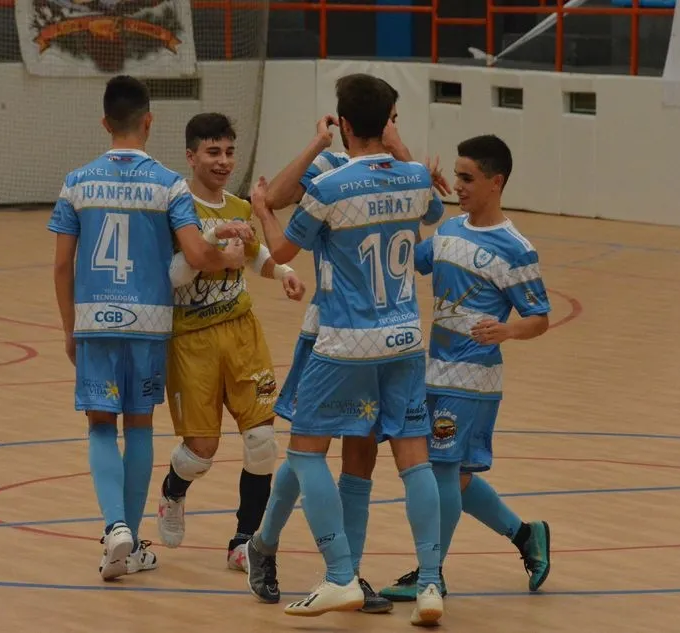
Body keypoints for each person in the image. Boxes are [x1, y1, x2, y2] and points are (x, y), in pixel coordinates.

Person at [245, 73, 447, 626]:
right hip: (405, 339)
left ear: (345, 125)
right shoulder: (412, 177)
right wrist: (399, 151)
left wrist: (262, 208)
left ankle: (339, 574)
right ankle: (430, 584)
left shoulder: (333, 187)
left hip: (344, 341)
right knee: (412, 456)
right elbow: (435, 213)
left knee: (306, 452)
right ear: (387, 122)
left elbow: (283, 247)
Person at [47, 76, 253, 581]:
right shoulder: (168, 183)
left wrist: (70, 328)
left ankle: (115, 527)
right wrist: (225, 249)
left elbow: (60, 266)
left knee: (99, 426)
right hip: (150, 323)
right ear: (148, 122)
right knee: (138, 424)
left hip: (95, 319)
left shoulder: (77, 182)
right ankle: (133, 540)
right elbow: (197, 253)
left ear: (104, 123)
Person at [379, 135, 553, 601]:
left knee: (442, 472)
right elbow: (407, 259)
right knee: (454, 473)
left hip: (474, 378)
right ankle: (526, 535)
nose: (458, 185)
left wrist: (508, 331)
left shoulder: (516, 248)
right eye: (455, 176)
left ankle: (430, 573)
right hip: (431, 371)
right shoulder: (450, 231)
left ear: (496, 183)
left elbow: (540, 318)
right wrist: (418, 198)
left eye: (467, 178)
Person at [155, 112, 306, 571]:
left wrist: (283, 272)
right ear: (191, 155)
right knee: (201, 451)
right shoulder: (176, 208)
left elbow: (258, 256)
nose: (223, 161)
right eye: (213, 152)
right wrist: (213, 244)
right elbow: (173, 277)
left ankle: (245, 539)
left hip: (242, 336)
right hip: (192, 342)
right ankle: (172, 493)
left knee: (262, 441)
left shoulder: (240, 208)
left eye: (228, 152)